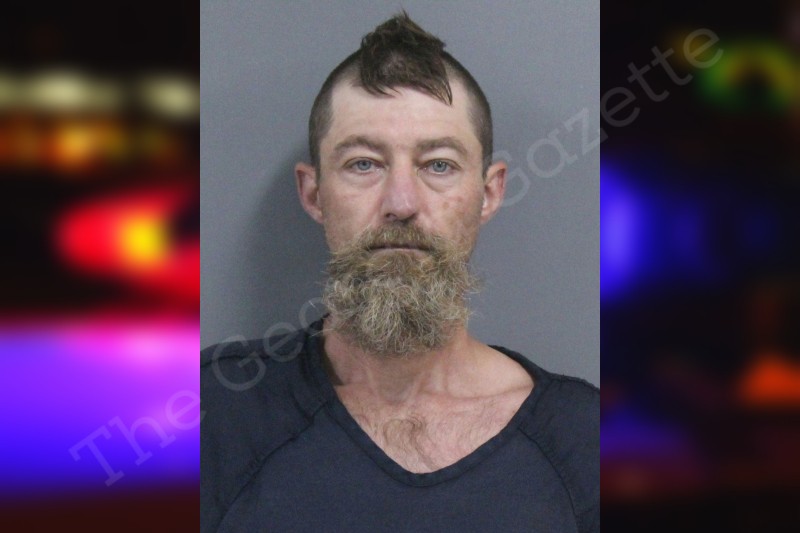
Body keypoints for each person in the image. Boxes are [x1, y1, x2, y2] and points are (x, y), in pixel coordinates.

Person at [201, 12, 598, 533]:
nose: (402, 203)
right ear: (314, 194)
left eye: (439, 165)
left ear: (489, 193)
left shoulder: (585, 442)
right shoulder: (213, 413)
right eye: (364, 163)